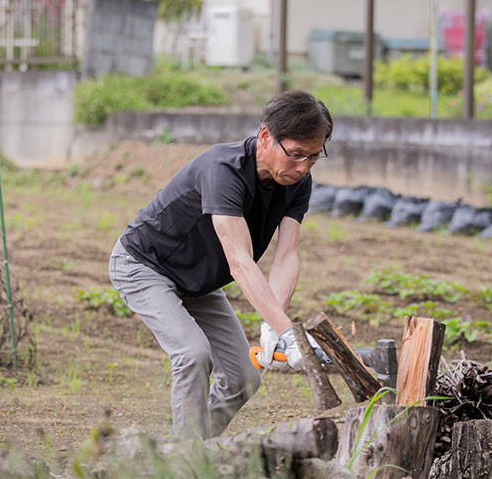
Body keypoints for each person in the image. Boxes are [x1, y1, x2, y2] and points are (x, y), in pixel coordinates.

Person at [108, 90, 333, 438]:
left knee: (244, 375)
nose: (303, 166)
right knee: (193, 354)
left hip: (197, 281)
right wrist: (289, 333)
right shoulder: (223, 170)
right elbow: (240, 261)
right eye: (296, 154)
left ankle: (192, 449)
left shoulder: (298, 182)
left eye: (314, 157)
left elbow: (287, 256)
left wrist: (275, 326)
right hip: (145, 266)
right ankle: (187, 467)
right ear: (265, 137)